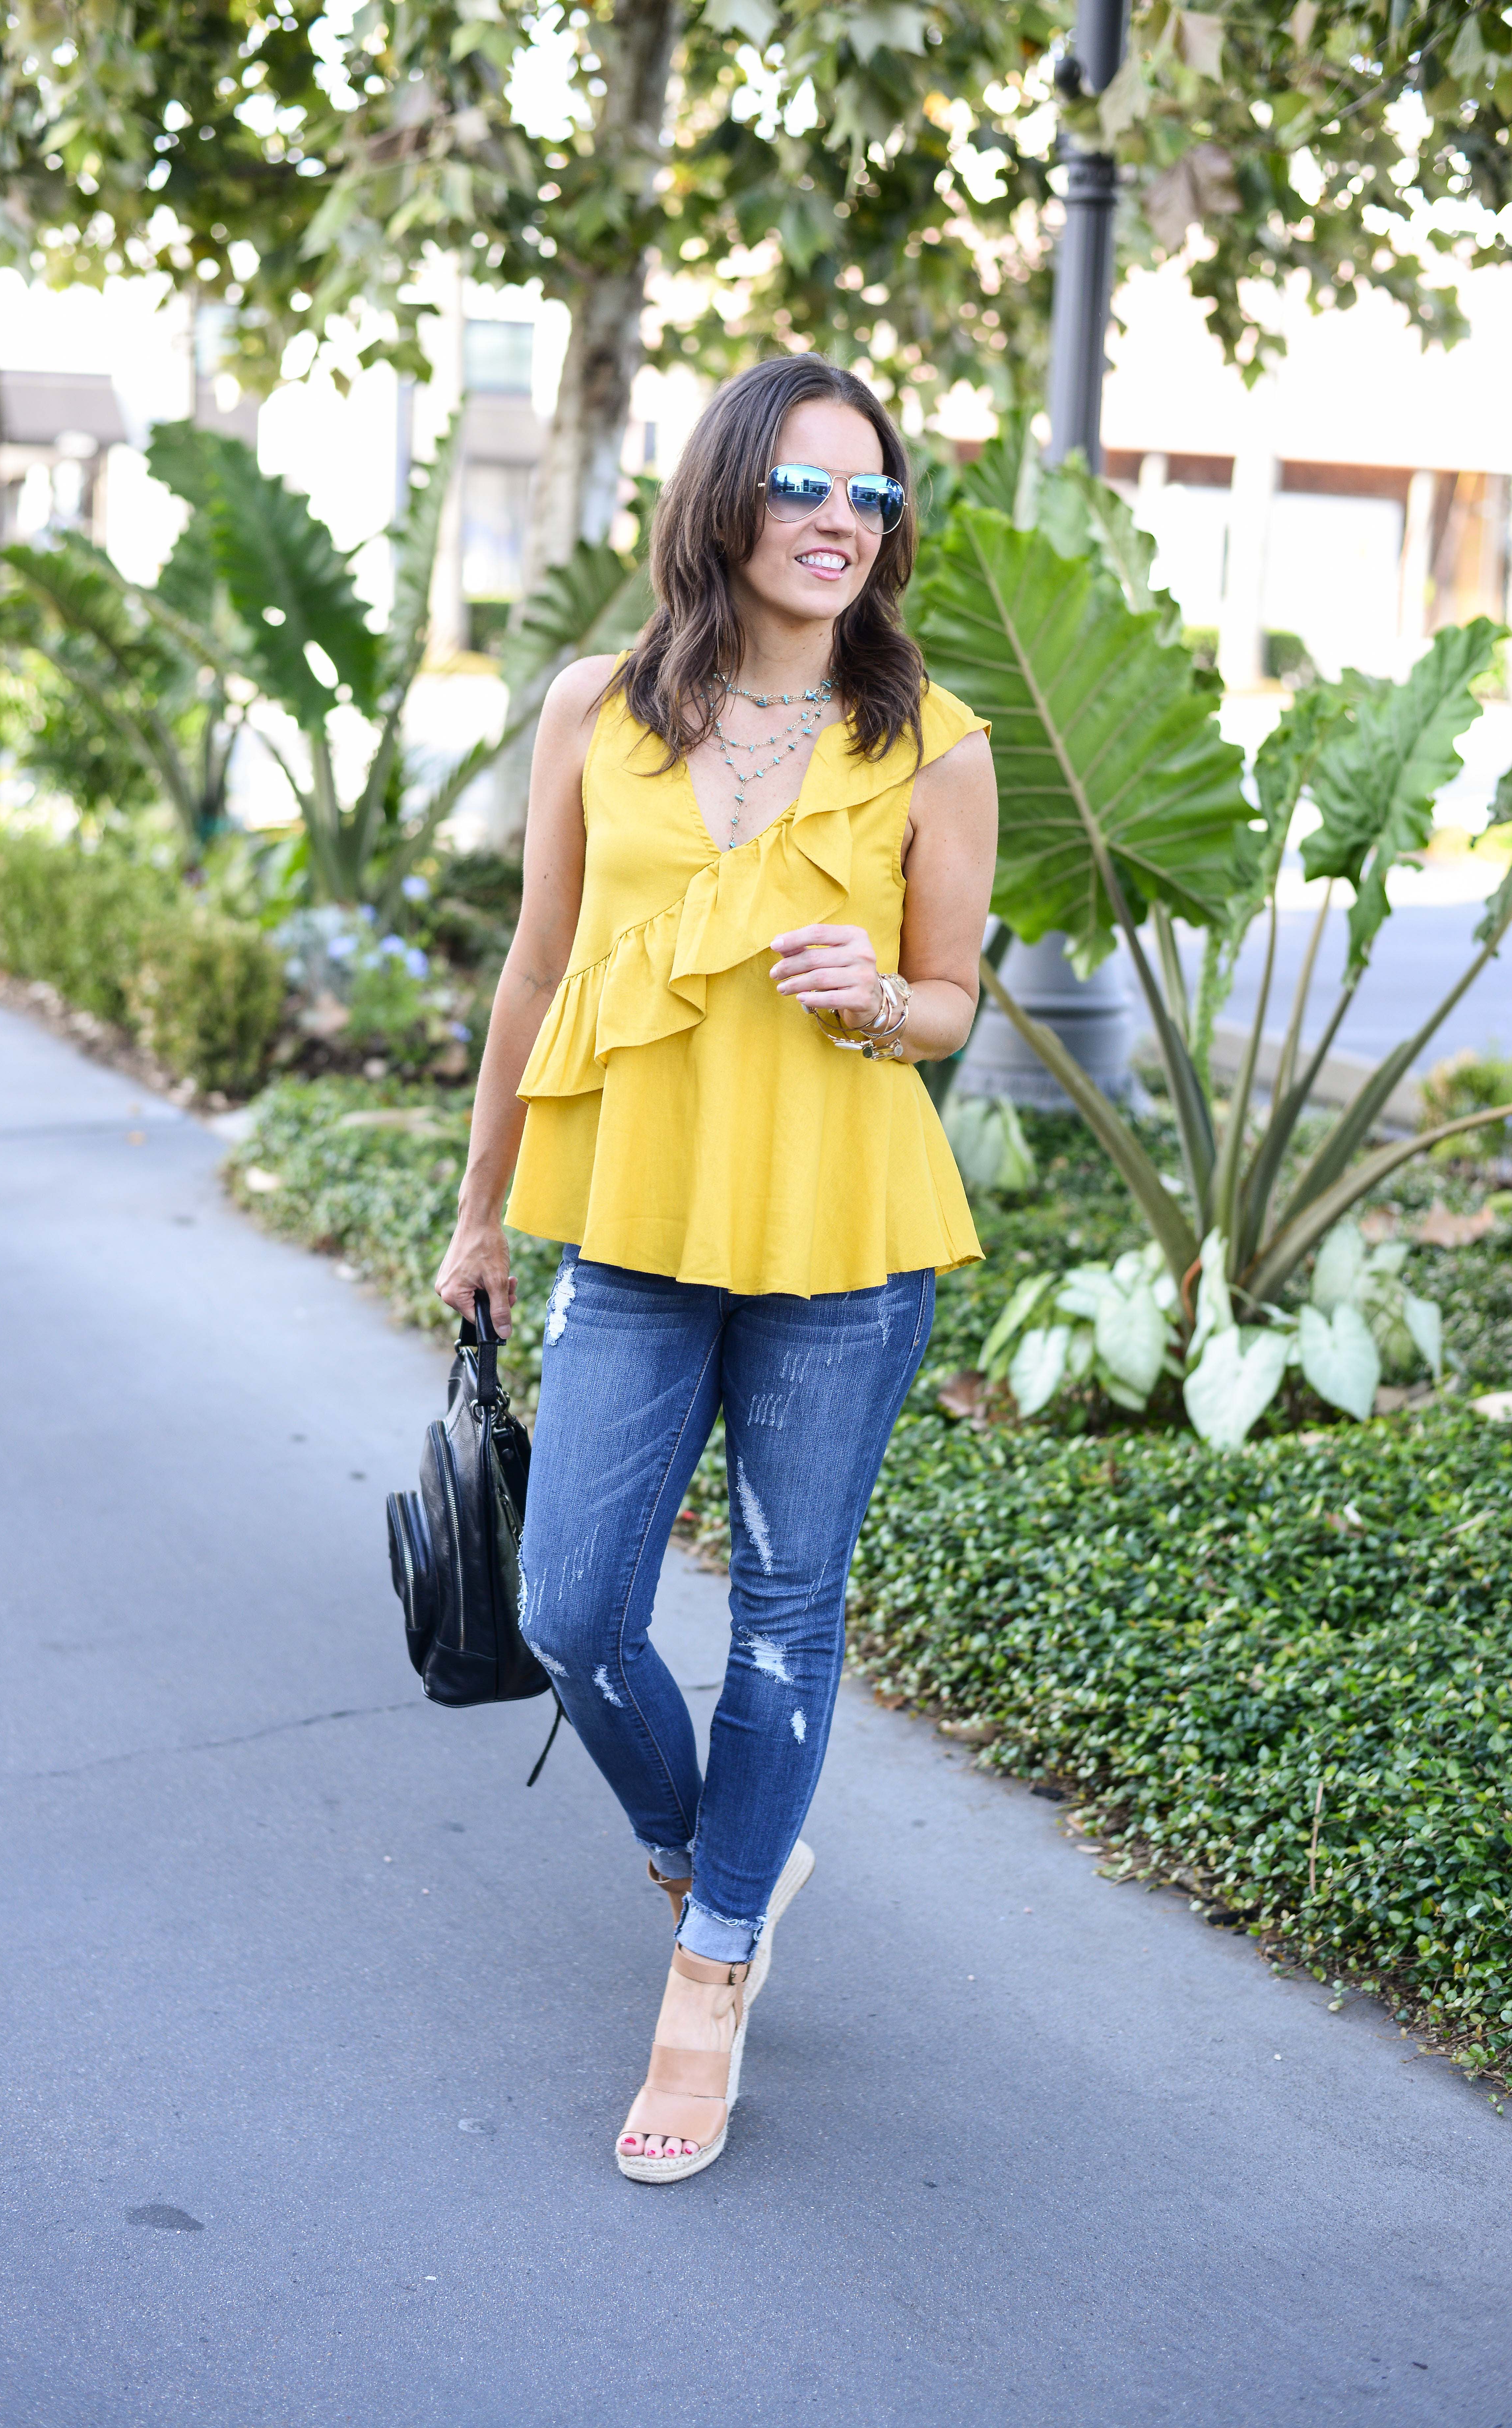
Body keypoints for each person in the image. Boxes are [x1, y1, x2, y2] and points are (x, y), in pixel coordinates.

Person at [436, 351, 997, 2183]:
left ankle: (715, 1962)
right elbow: (534, 972)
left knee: (784, 1608)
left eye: (874, 496)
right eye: (810, 487)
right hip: (642, 1231)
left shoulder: (936, 740)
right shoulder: (598, 710)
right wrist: (476, 1212)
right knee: (573, 1609)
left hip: (845, 1242)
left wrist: (881, 1000)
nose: (845, 522)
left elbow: (949, 1007)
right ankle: (717, 1854)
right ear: (729, 495)